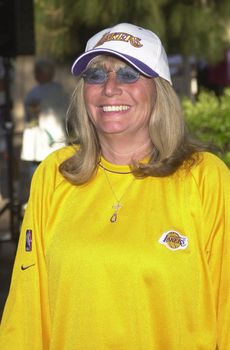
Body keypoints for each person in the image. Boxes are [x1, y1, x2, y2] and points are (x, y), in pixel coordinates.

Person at [0, 23, 229, 350]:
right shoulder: (56, 174)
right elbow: (26, 311)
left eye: (128, 74)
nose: (109, 87)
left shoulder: (205, 178)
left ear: (158, 89)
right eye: (96, 75)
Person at [20, 57, 67, 184]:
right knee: (36, 168)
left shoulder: (57, 89)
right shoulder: (34, 91)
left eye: (38, 71)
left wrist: (41, 108)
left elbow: (62, 110)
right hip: (35, 134)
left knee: (54, 167)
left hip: (51, 133)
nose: (36, 74)